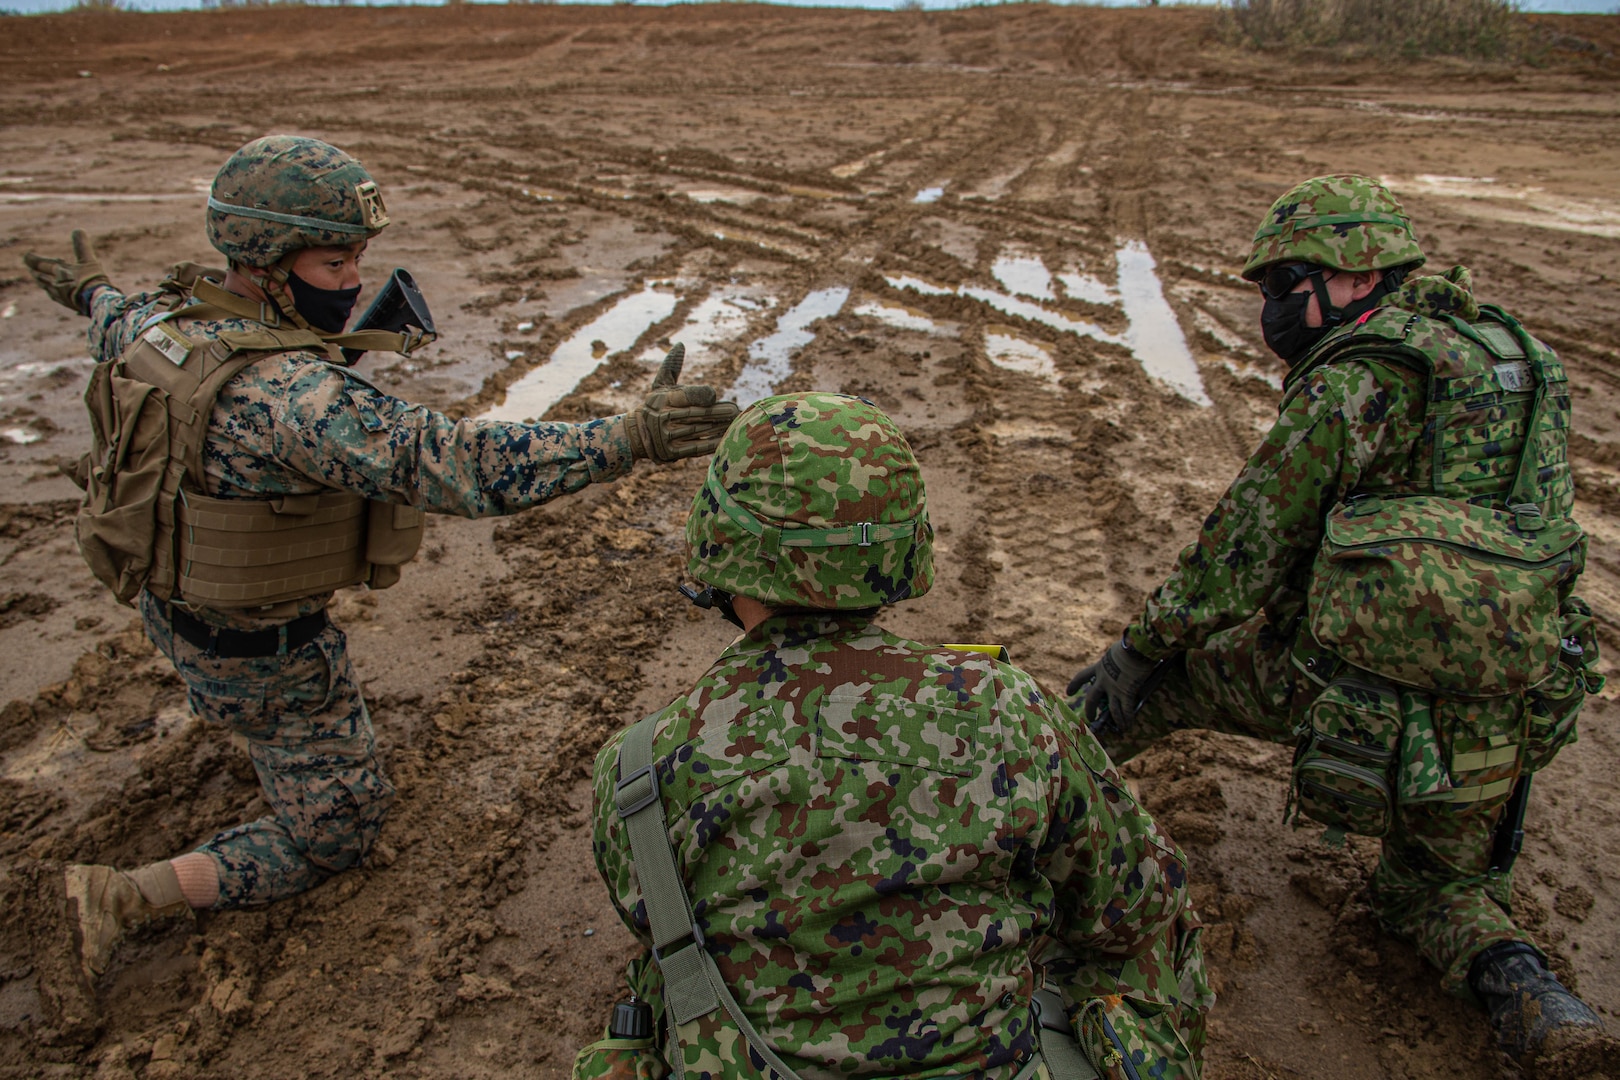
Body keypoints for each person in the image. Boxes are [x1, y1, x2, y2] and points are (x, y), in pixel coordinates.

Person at [21, 135, 737, 996]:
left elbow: (115, 311)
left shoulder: (164, 324)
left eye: (358, 258)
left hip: (176, 607)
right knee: (338, 834)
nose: (353, 281)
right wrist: (627, 438)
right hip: (268, 654)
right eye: (333, 262)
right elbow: (461, 465)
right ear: (264, 259)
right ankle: (123, 895)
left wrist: (86, 289)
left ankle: (237, 720)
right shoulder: (295, 399)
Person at [1067, 174, 1614, 1074]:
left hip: (1347, 689)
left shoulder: (1359, 383)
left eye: (1287, 285)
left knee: (1155, 689)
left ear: (1359, 278)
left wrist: (1140, 650)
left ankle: (1014, 802)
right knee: (1439, 893)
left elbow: (1243, 552)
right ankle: (1534, 995)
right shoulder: (1520, 356)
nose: (1275, 309)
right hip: (1499, 708)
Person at [576, 392, 1211, 1080]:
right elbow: (1139, 900)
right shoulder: (1006, 709)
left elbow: (655, 921)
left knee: (662, 976)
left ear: (718, 543)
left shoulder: (638, 767)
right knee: (1128, 945)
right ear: (904, 547)